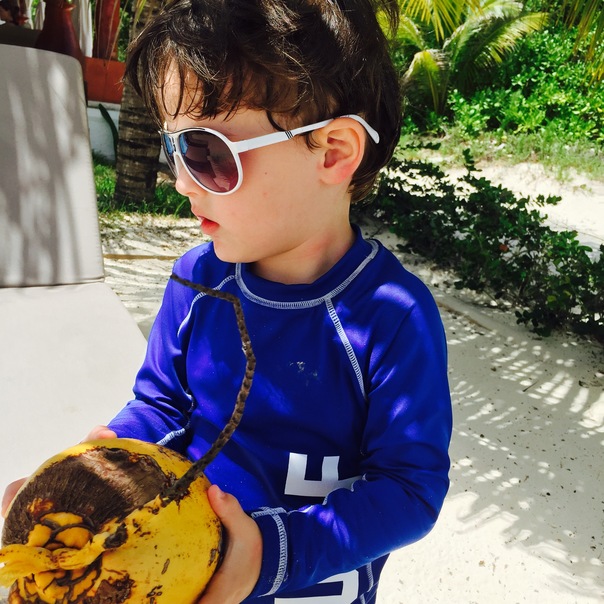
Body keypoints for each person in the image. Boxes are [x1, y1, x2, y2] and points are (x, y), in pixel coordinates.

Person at [3, 1, 452, 602]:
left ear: (333, 152)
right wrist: (100, 466)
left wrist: (269, 554)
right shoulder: (197, 281)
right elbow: (161, 406)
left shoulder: (391, 315)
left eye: (206, 152)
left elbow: (409, 490)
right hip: (178, 572)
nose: (180, 181)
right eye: (173, 148)